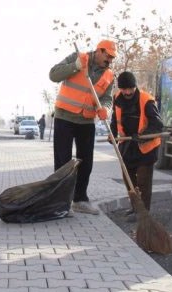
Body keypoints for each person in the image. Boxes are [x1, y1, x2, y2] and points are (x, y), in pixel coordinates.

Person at [49, 39, 117, 215]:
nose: (109, 60)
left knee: (86, 162)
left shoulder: (109, 75)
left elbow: (107, 98)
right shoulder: (78, 57)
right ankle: (61, 201)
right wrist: (75, 66)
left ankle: (80, 199)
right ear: (99, 50)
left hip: (87, 121)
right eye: (108, 56)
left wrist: (106, 109)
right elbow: (53, 75)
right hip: (65, 116)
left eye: (112, 58)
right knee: (63, 161)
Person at [109, 72, 163, 222]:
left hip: (146, 147)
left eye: (130, 89)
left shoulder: (146, 100)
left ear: (135, 86)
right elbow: (115, 120)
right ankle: (135, 207)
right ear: (120, 89)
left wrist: (144, 134)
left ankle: (143, 212)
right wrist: (112, 134)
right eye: (124, 89)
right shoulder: (117, 99)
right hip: (127, 146)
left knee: (143, 182)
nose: (127, 92)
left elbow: (157, 125)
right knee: (129, 180)